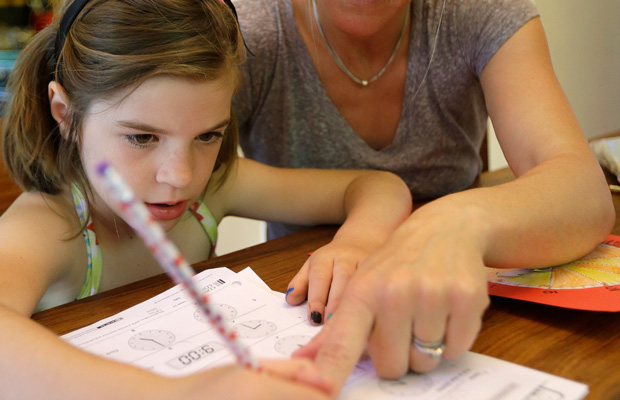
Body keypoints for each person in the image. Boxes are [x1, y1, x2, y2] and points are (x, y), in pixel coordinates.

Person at [0, 0, 413, 398]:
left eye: (207, 136)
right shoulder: (49, 225)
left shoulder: (214, 189)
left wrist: (358, 241)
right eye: (142, 137)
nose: (180, 176)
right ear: (65, 114)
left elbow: (379, 186)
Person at [232, 0, 616, 394]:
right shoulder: (246, 30)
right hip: (299, 306)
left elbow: (584, 190)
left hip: (467, 312)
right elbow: (181, 175)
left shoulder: (478, 12)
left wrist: (452, 224)